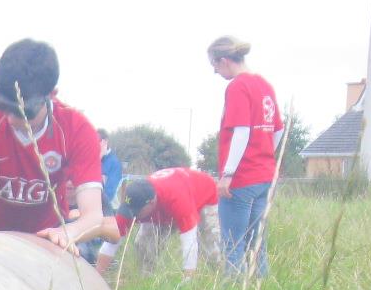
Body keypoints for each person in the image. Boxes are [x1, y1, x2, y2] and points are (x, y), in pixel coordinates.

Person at [0, 39, 108, 253]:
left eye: (22, 112)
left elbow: (94, 215)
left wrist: (68, 232)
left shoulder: (76, 129)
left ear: (51, 95)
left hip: (44, 239)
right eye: (4, 106)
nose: (11, 118)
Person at [209, 35, 284, 276]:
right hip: (264, 177)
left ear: (224, 61)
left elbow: (241, 131)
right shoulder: (264, 85)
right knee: (257, 245)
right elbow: (278, 130)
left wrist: (228, 174)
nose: (215, 71)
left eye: (214, 65)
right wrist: (264, 155)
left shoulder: (238, 86)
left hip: (241, 179)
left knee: (233, 244)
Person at [95, 167, 219, 277]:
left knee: (211, 246)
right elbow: (112, 242)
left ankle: (217, 277)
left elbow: (189, 242)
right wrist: (97, 275)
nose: (134, 217)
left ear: (151, 203)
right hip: (166, 203)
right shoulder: (132, 202)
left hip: (204, 195)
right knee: (143, 244)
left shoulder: (179, 201)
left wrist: (188, 280)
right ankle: (146, 278)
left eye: (137, 212)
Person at [98, 129, 124, 213]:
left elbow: (110, 192)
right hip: (91, 208)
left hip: (109, 210)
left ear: (105, 141)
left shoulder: (114, 163)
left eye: (97, 140)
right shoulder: (91, 159)